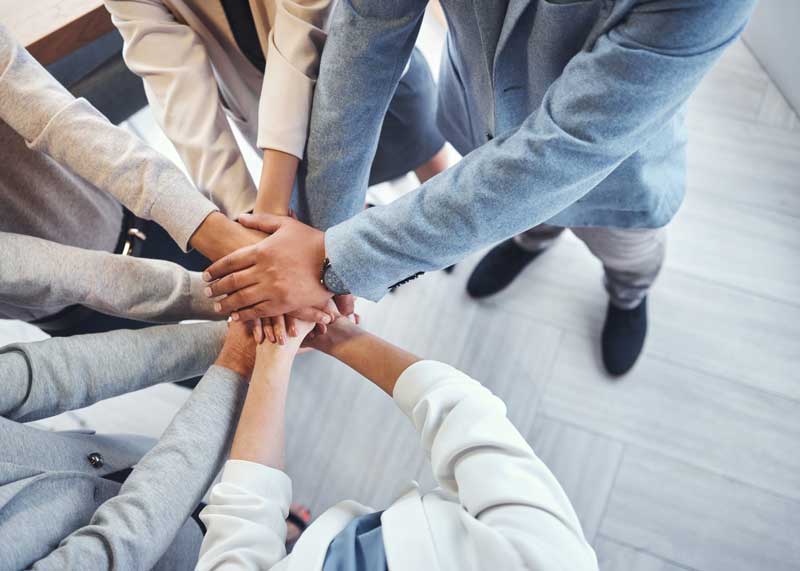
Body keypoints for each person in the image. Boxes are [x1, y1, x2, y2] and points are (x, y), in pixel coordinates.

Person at [201, 0, 758, 376]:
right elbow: (369, 26)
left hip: (615, 173)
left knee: (628, 255)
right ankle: (529, 242)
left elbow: (568, 145)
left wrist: (330, 259)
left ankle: (628, 295)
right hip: (481, 118)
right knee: (526, 219)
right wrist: (323, 231)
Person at [104, 0, 451, 330]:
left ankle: (450, 244)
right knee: (328, 209)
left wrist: (269, 209)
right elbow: (173, 83)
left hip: (362, 60)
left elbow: (304, 20)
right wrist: (255, 223)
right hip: (265, 113)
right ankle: (361, 251)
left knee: (422, 147)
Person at [0, 24, 331, 339]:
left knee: (280, 323)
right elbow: (21, 264)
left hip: (133, 214)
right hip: (72, 309)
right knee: (226, 359)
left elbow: (49, 114)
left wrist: (256, 233)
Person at [195, 317, 598, 570]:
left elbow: (240, 526)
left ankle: (291, 536)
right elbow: (462, 415)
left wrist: (278, 348)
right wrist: (332, 331)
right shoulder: (547, 558)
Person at [0, 321, 253, 570]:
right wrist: (235, 364)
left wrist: (228, 338)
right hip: (171, 553)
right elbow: (115, 551)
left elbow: (39, 375)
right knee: (244, 550)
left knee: (251, 512)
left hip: (117, 465)